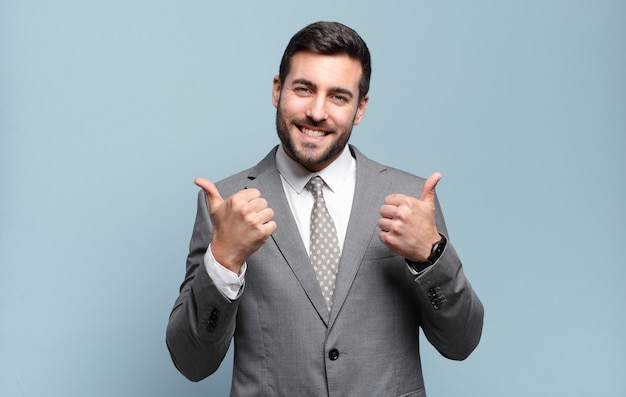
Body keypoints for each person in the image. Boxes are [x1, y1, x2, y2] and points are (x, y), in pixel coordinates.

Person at [166, 21, 483, 397]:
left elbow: (460, 342)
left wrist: (431, 257)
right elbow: (192, 362)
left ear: (360, 108)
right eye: (304, 89)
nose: (317, 112)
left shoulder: (411, 198)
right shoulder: (225, 203)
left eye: (338, 96)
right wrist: (224, 262)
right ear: (277, 90)